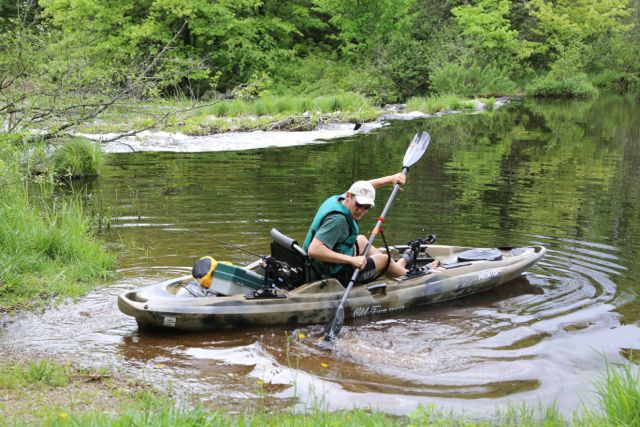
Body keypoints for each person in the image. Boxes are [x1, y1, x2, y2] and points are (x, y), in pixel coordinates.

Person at [302, 174, 413, 286]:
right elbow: (314, 250)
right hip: (331, 275)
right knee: (384, 259)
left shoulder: (338, 200)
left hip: (317, 265)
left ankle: (398, 266)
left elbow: (366, 186)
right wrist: (351, 260)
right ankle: (412, 277)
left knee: (361, 240)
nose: (361, 211)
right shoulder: (338, 220)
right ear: (349, 196)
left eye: (367, 207)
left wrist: (390, 179)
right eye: (359, 205)